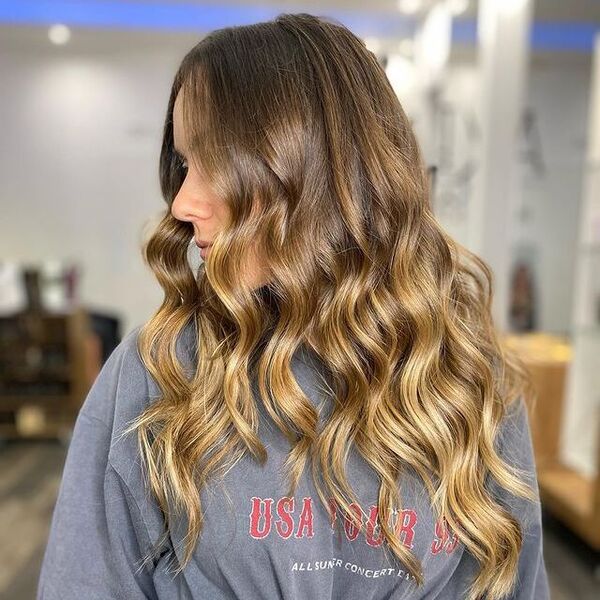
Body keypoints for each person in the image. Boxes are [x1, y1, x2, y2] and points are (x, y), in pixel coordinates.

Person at [36, 12, 550, 600]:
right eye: (182, 164)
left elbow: (516, 582)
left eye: (213, 161)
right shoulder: (162, 371)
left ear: (316, 168)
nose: (181, 202)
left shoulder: (460, 370)